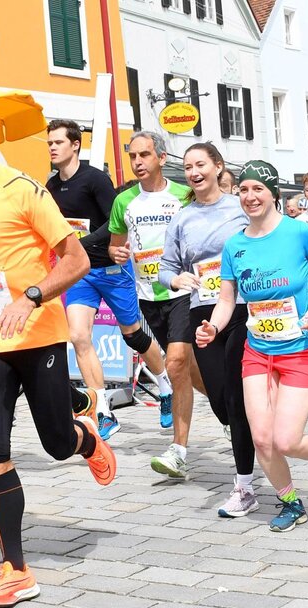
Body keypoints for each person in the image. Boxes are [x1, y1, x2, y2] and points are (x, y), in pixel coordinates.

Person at [0, 99, 116, 608]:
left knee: (56, 442)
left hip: (36, 336)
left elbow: (76, 259)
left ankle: (85, 440)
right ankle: (16, 569)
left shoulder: (24, 191)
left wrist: (30, 296)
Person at [195, 160, 308, 533]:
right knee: (261, 438)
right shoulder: (235, 245)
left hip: (301, 349)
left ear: (273, 194)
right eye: (243, 190)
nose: (250, 196)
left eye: (257, 189)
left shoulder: (300, 233)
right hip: (259, 351)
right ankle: (290, 502)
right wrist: (212, 327)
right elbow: (227, 298)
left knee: (287, 438)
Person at [45, 119, 174, 439]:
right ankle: (102, 410)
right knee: (78, 336)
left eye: (58, 142)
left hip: (112, 268)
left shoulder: (95, 180)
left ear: (75, 145)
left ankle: (165, 383)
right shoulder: (51, 186)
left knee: (132, 334)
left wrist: (78, 245)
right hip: (80, 273)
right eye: (49, 143)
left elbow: (116, 227)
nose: (52, 147)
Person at [159, 142, 258, 516]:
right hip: (203, 310)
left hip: (241, 307)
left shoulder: (239, 207)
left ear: (218, 167)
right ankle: (246, 429)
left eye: (201, 164)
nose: (194, 172)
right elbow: (166, 268)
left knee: (234, 393)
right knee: (218, 396)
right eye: (187, 167)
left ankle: (243, 483)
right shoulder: (182, 218)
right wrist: (175, 280)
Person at [108, 131, 204, 478]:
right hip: (148, 295)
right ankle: (228, 412)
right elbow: (116, 246)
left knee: (175, 362)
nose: (138, 163)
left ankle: (178, 450)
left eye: (145, 155)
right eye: (133, 157)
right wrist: (116, 253)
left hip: (184, 291)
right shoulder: (124, 202)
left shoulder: (184, 195)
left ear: (161, 158)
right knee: (188, 373)